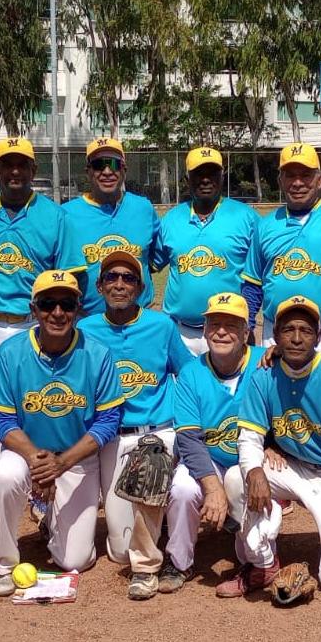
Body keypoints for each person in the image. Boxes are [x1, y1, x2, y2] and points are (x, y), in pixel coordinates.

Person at [0, 271, 124, 595]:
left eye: (66, 304)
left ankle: (47, 520)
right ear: (34, 309)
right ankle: (4, 562)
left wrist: (61, 464)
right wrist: (36, 460)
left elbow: (108, 420)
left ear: (78, 309)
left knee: (75, 560)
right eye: (47, 304)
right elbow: (2, 420)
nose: (57, 313)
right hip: (27, 454)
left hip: (76, 458)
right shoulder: (11, 352)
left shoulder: (97, 353)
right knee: (3, 476)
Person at [227, 296, 321, 597]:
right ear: (275, 335)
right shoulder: (264, 374)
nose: (295, 338)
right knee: (235, 478)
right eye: (288, 329)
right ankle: (264, 561)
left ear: (318, 336)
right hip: (293, 467)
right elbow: (249, 437)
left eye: (305, 330)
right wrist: (255, 472)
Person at [78, 251, 193, 598]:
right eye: (111, 277)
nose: (119, 284)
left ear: (142, 287)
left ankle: (152, 565)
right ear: (99, 286)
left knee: (154, 463)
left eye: (128, 278)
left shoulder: (161, 326)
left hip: (157, 431)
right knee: (118, 550)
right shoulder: (85, 329)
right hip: (111, 437)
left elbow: (187, 373)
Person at [166, 292, 270, 595]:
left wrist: (274, 447)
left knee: (245, 480)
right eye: (214, 324)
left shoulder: (264, 364)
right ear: (204, 329)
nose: (221, 331)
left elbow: (280, 416)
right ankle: (179, 560)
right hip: (208, 458)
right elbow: (188, 438)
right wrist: (212, 487)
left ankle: (257, 559)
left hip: (249, 459)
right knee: (183, 489)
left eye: (231, 324)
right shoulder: (191, 373)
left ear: (245, 332)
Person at [0, 136, 66, 406]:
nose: (15, 171)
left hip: (33, 326)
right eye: (7, 164)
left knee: (31, 404)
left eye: (23, 164)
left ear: (33, 170)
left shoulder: (54, 215)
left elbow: (65, 279)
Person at [244, 143, 321, 355]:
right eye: (290, 175)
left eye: (306, 175)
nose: (297, 183)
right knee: (274, 388)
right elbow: (252, 283)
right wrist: (248, 325)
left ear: (319, 179)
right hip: (276, 331)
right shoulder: (265, 225)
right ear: (280, 181)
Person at [157, 146, 261, 353]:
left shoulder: (246, 217)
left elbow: (258, 276)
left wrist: (247, 323)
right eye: (198, 174)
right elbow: (149, 264)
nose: (205, 179)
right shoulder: (171, 219)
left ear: (222, 176)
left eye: (212, 173)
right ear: (187, 179)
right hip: (179, 332)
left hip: (227, 332)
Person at [60, 137, 160, 315]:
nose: (107, 171)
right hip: (89, 323)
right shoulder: (67, 214)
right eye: (99, 165)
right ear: (88, 171)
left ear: (124, 170)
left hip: (140, 320)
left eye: (114, 164)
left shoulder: (143, 208)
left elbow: (152, 259)